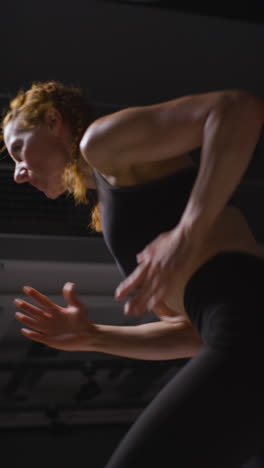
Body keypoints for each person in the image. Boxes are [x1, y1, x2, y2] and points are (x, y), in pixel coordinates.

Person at [2, 81, 264, 467]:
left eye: (18, 149)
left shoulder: (101, 143)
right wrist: (94, 337)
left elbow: (237, 108)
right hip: (237, 332)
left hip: (248, 325)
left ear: (52, 121)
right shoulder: (110, 205)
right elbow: (191, 332)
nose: (17, 174)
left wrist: (188, 230)